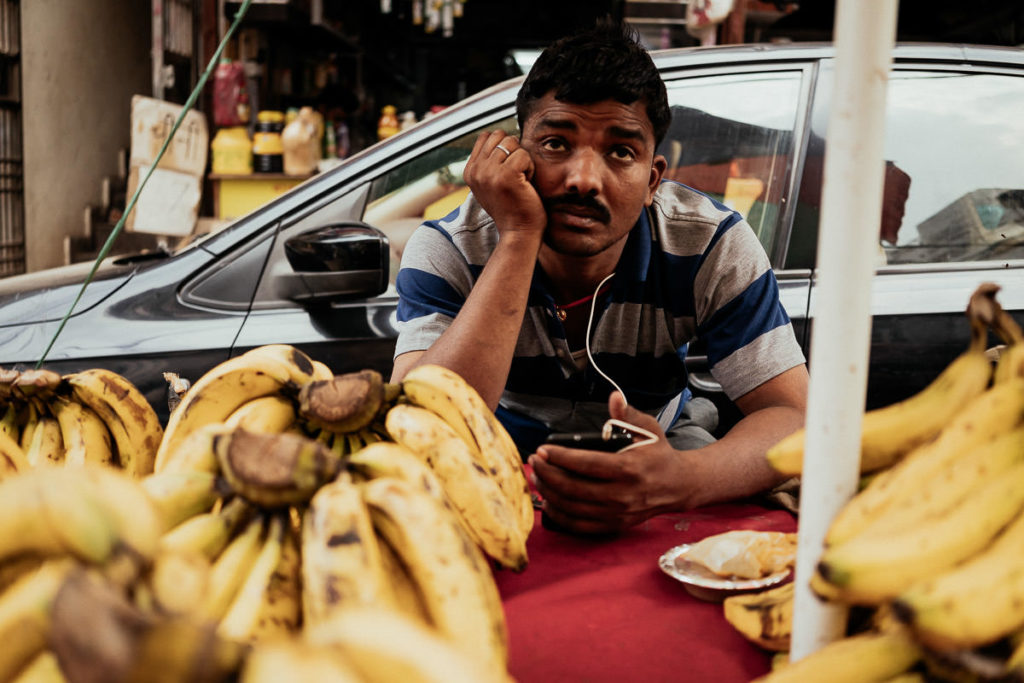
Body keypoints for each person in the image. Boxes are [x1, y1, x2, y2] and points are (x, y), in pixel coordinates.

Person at [390, 19, 809, 535]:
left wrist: (682, 478)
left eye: (620, 152)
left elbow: (794, 418)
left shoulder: (709, 243)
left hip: (663, 452)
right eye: (555, 144)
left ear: (653, 179)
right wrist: (519, 234)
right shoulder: (449, 248)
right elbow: (422, 427)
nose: (583, 179)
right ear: (515, 157)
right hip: (493, 456)